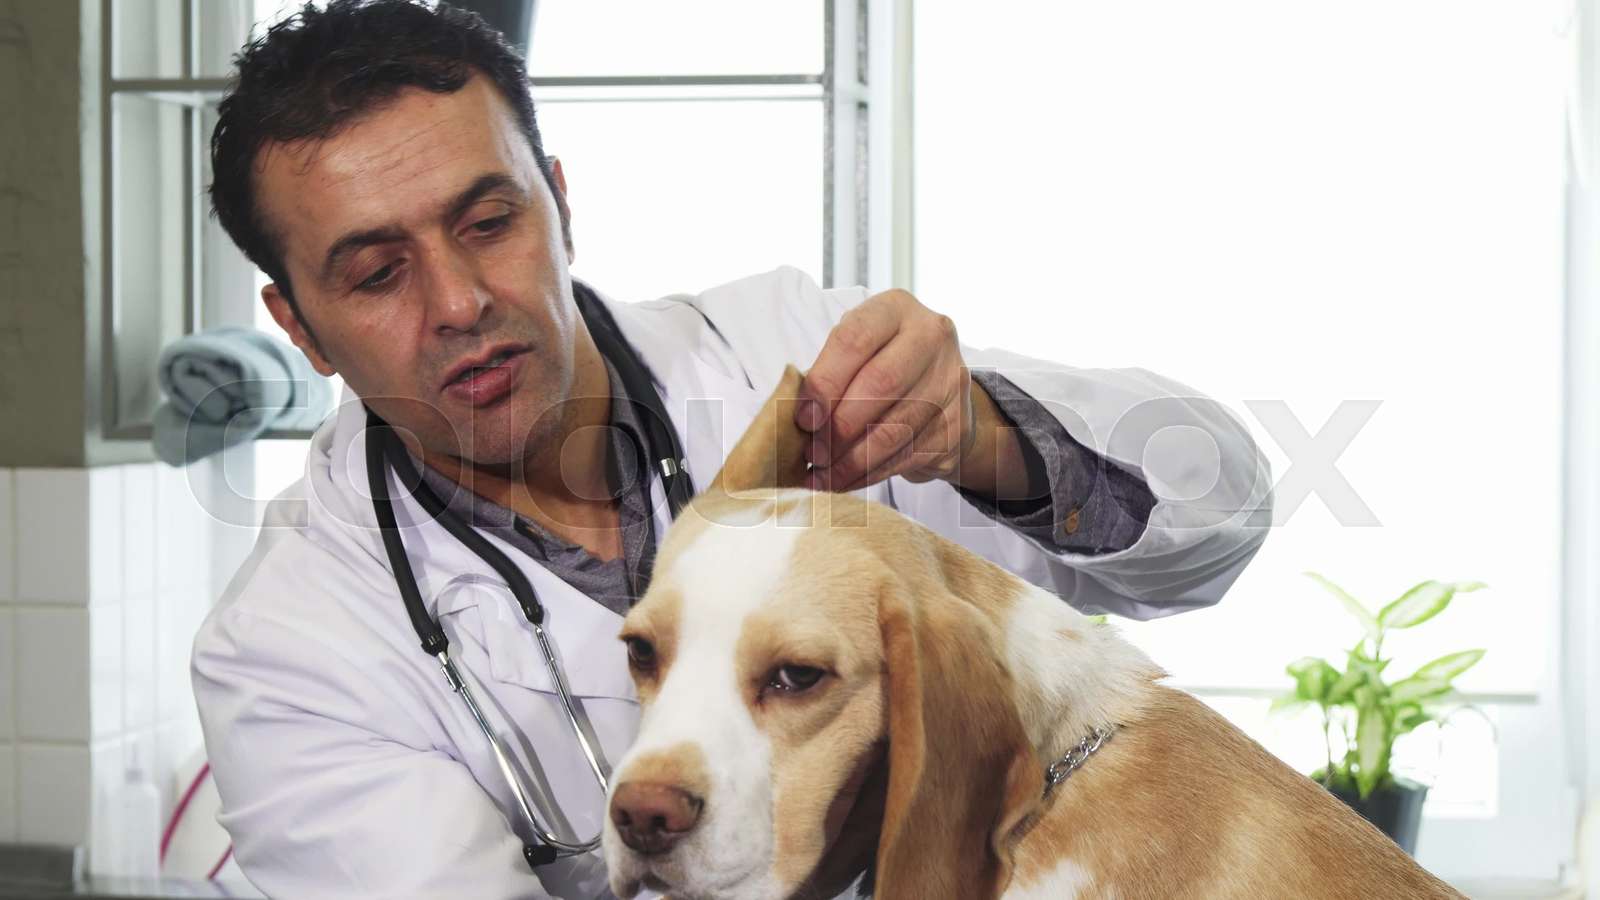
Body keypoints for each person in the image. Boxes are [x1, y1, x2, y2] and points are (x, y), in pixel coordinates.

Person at [190, 1, 1274, 897]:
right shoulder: (291, 651)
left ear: (560, 202)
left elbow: (1213, 520)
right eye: (377, 274)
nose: (462, 301)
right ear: (298, 325)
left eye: (488, 223)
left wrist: (982, 439)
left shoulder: (788, 357)